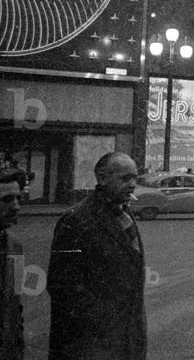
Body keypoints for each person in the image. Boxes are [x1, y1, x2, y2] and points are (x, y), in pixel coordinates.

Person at [48, 152, 147, 359]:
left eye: (134, 177)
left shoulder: (124, 213)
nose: (132, 184)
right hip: (91, 344)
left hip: (124, 340)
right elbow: (63, 285)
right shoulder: (75, 220)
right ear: (102, 178)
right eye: (124, 178)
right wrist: (105, 319)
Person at [0, 165, 27, 358]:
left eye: (18, 198)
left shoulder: (15, 246)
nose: (16, 206)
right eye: (7, 199)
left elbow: (15, 306)